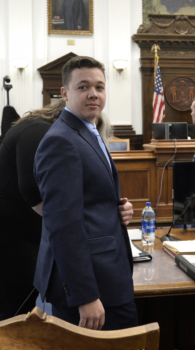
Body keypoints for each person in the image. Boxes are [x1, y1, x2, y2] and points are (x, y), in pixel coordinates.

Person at [0, 100, 132, 321]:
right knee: (17, 302)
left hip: (21, 226)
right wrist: (92, 223)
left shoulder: (55, 132)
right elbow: (35, 194)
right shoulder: (39, 131)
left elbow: (81, 194)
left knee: (28, 295)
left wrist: (114, 208)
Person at [33, 56, 137, 330]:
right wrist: (85, 295)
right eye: (83, 87)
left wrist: (117, 209)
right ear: (65, 93)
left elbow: (88, 200)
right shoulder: (60, 140)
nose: (94, 94)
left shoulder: (87, 130)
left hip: (105, 272)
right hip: (91, 284)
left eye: (100, 87)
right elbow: (63, 226)